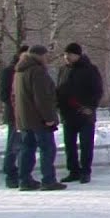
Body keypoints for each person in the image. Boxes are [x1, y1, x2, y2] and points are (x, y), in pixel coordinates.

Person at [14, 45, 67, 191]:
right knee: (47, 149)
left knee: (27, 148)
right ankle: (48, 180)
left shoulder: (19, 71)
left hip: (24, 118)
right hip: (39, 119)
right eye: (45, 55)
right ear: (39, 56)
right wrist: (49, 117)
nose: (47, 58)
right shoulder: (37, 71)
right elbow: (42, 97)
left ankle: (24, 180)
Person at [56, 42, 104, 184]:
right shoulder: (63, 70)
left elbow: (97, 90)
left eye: (69, 54)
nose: (67, 57)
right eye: (65, 54)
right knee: (69, 145)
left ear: (77, 55)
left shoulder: (90, 69)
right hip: (67, 113)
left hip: (85, 113)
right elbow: (60, 90)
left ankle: (85, 171)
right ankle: (73, 171)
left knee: (86, 144)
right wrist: (59, 106)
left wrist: (91, 106)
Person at [0, 45, 28, 188]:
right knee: (13, 145)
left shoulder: (28, 71)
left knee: (24, 144)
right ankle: (10, 173)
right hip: (14, 115)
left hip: (28, 115)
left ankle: (22, 172)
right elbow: (4, 95)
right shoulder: (9, 71)